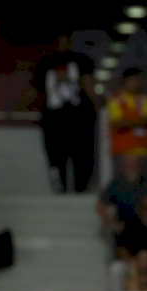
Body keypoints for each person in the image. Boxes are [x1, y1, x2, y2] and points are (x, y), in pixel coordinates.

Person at [33, 33, 97, 193]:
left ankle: (81, 186)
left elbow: (88, 84)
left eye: (65, 40)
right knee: (56, 153)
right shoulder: (45, 63)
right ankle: (59, 185)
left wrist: (97, 103)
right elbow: (36, 90)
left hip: (78, 116)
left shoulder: (81, 61)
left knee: (81, 153)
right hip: (54, 118)